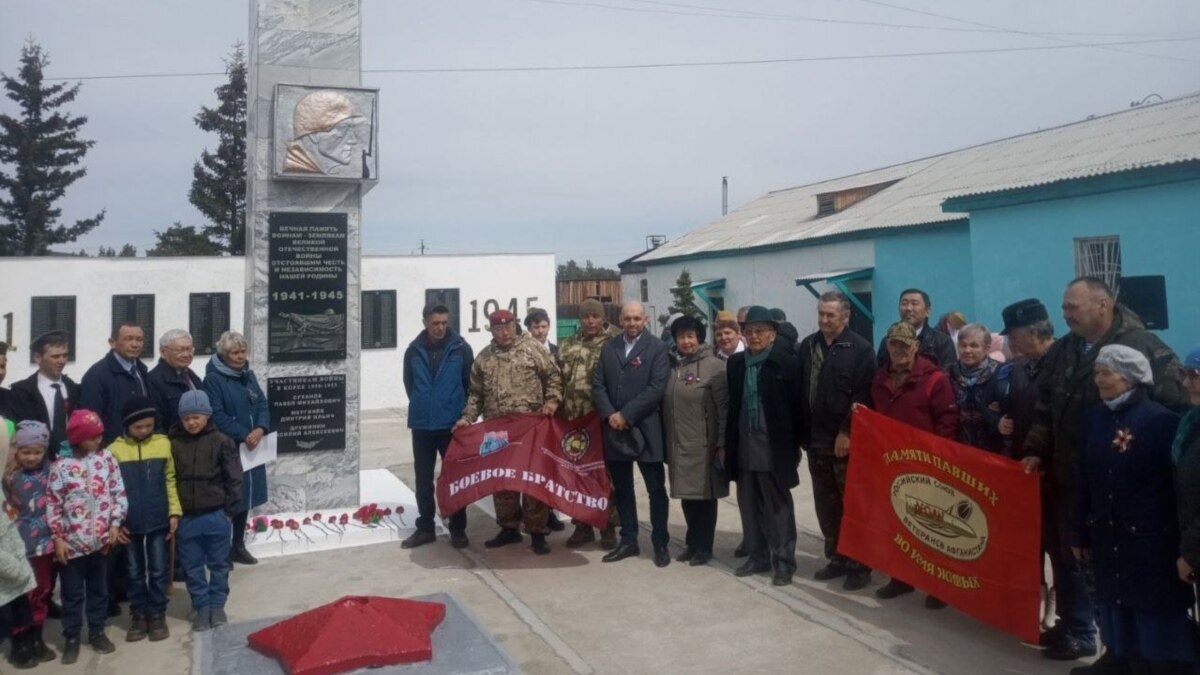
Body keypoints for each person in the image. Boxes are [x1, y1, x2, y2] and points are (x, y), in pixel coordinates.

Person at [1023, 277, 1187, 662]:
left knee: (1122, 575)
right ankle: (1079, 627)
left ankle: (1122, 649)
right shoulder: (1066, 349)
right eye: (1063, 308)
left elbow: (1177, 412)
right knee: (1068, 556)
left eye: (1072, 308)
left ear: (1103, 306)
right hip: (1070, 478)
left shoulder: (1143, 346)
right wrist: (1035, 449)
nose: (1064, 315)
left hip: (1127, 491)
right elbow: (1046, 405)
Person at [1070, 345, 1194, 673]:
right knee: (1115, 605)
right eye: (1096, 372)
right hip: (1108, 535)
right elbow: (1084, 478)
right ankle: (1121, 659)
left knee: (1153, 614)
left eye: (1105, 373)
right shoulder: (1094, 419)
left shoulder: (1159, 422)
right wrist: (1079, 530)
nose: (1097, 379)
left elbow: (1176, 489)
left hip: (1150, 540)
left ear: (1129, 378)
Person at [455, 310, 562, 555]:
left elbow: (553, 377)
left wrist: (552, 401)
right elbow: (476, 395)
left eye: (509, 327)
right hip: (497, 430)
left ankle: (537, 531)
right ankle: (509, 528)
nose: (505, 332)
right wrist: (467, 418)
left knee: (533, 480)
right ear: (491, 330)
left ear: (515, 326)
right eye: (499, 329)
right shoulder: (484, 358)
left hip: (531, 428)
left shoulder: (532, 349)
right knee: (503, 481)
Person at [870, 322, 958, 608]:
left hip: (926, 466)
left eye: (904, 345)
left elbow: (947, 422)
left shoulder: (935, 380)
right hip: (893, 464)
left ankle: (938, 586)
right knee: (899, 522)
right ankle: (902, 578)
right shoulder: (880, 378)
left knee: (932, 526)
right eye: (893, 345)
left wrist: (938, 461)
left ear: (916, 347)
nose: (898, 350)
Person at [797, 291, 876, 591]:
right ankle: (837, 557)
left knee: (851, 505)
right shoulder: (808, 345)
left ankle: (860, 564)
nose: (824, 320)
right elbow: (801, 391)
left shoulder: (860, 349)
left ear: (846, 316)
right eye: (821, 314)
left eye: (830, 315)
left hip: (843, 443)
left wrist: (848, 432)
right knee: (826, 505)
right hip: (815, 442)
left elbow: (863, 395)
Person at [725, 306, 804, 586]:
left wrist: (796, 447)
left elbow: (798, 409)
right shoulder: (735, 365)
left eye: (761, 331)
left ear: (772, 335)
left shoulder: (785, 363)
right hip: (744, 443)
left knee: (777, 506)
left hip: (774, 446)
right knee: (748, 503)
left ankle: (784, 562)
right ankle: (757, 556)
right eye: (750, 331)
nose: (755, 336)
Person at [593, 301, 671, 567]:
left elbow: (657, 386)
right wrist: (610, 414)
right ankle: (629, 540)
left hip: (646, 429)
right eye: (627, 318)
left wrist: (626, 414)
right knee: (623, 489)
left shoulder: (658, 348)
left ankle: (660, 542)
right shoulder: (609, 347)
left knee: (655, 489)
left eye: (637, 318)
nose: (632, 323)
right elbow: (598, 384)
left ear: (646, 319)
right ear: (620, 320)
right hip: (615, 430)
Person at [47, 409, 128, 664]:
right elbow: (53, 503)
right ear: (77, 438)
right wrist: (58, 537)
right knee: (72, 595)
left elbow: (118, 493)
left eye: (100, 436)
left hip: (101, 543)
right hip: (72, 546)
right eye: (92, 437)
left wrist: (115, 523)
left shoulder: (106, 459)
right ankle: (71, 637)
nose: (97, 441)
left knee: (99, 591)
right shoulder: (61, 466)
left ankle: (97, 631)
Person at [401, 304, 474, 550]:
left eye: (444, 322)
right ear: (425, 323)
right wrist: (425, 405)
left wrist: (459, 413)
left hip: (451, 426)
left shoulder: (461, 349)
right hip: (422, 425)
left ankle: (458, 529)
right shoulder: (413, 351)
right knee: (423, 479)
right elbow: (409, 385)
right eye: (435, 323)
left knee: (455, 479)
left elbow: (469, 384)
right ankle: (425, 528)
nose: (441, 327)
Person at [107, 396, 179, 642]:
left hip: (158, 519)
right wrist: (114, 523)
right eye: (138, 427)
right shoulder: (114, 451)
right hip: (129, 524)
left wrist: (173, 512)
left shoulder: (162, 444)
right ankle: (138, 614)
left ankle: (157, 613)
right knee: (134, 570)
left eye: (149, 425)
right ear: (127, 425)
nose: (144, 431)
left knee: (158, 568)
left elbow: (170, 479)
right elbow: (108, 490)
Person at [170, 390, 243, 633]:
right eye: (187, 418)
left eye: (196, 417)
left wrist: (229, 512)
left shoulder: (222, 441)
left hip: (216, 515)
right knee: (192, 566)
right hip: (188, 517)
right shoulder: (175, 443)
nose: (191, 423)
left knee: (219, 564)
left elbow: (234, 478)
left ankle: (217, 605)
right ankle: (201, 605)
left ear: (207, 416)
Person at [662, 315, 728, 567]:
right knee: (688, 498)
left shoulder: (714, 367)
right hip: (678, 445)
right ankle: (692, 542)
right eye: (681, 337)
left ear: (699, 338)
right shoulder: (674, 367)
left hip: (703, 445)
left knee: (704, 498)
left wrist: (721, 444)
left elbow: (723, 409)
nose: (686, 341)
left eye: (690, 336)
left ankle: (704, 546)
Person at [557, 299, 621, 549]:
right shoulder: (568, 344)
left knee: (606, 477)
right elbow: (557, 378)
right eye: (586, 317)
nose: (591, 321)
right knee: (576, 477)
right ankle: (582, 526)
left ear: (602, 317)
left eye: (595, 316)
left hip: (602, 422)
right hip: (573, 423)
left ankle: (608, 527)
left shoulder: (615, 341)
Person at [205, 331, 269, 566]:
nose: (240, 356)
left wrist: (260, 428)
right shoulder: (214, 379)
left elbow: (261, 402)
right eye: (235, 352)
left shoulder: (247, 375)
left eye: (243, 351)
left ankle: (238, 545)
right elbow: (217, 414)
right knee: (229, 498)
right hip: (230, 447)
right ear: (224, 354)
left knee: (245, 495)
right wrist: (244, 434)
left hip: (252, 446)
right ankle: (221, 550)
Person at [2, 421, 57, 666]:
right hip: (18, 545)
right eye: (26, 452)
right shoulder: (9, 477)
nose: (32, 457)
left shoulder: (51, 472)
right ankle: (19, 640)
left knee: (42, 590)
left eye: (38, 452)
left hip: (44, 544)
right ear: (16, 451)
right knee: (20, 592)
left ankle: (37, 636)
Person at [10, 331, 80, 457]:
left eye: (65, 355)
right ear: (37, 358)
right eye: (55, 356)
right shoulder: (22, 393)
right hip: (37, 462)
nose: (62, 361)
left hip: (71, 461)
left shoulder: (73, 389)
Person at [80, 323, 151, 447]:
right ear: (112, 342)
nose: (135, 344)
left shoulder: (142, 370)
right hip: (112, 451)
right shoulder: (97, 375)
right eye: (128, 339)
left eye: (139, 340)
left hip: (142, 448)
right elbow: (91, 420)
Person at [1173, 345, 1200, 628]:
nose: (1187, 382)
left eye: (1195, 375)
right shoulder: (1190, 423)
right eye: (1185, 373)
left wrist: (1191, 553)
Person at [946, 323, 1003, 453]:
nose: (967, 350)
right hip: (957, 450)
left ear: (987, 348)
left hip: (993, 450)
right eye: (963, 345)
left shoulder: (1001, 374)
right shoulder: (947, 374)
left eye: (974, 346)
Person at [0, 476, 37, 669]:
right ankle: (19, 644)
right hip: (7, 564)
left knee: (20, 605)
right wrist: (14, 567)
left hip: (13, 555)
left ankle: (25, 638)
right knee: (7, 610)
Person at [875, 289, 956, 369]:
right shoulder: (888, 341)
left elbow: (948, 376)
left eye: (914, 304)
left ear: (928, 311)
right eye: (904, 303)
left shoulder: (943, 342)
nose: (908, 308)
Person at [146, 329, 203, 433]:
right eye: (180, 350)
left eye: (189, 349)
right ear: (163, 352)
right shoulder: (154, 380)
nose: (186, 355)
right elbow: (158, 422)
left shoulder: (191, 376)